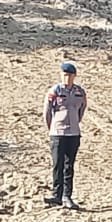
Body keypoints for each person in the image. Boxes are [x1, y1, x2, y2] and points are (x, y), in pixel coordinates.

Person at [43, 61, 88, 208]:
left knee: (69, 166)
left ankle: (67, 196)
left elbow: (82, 109)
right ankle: (56, 194)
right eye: (65, 75)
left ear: (74, 76)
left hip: (73, 133)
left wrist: (75, 122)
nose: (67, 78)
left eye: (70, 75)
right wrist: (52, 129)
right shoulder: (54, 91)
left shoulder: (79, 92)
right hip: (58, 133)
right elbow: (47, 112)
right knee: (58, 164)